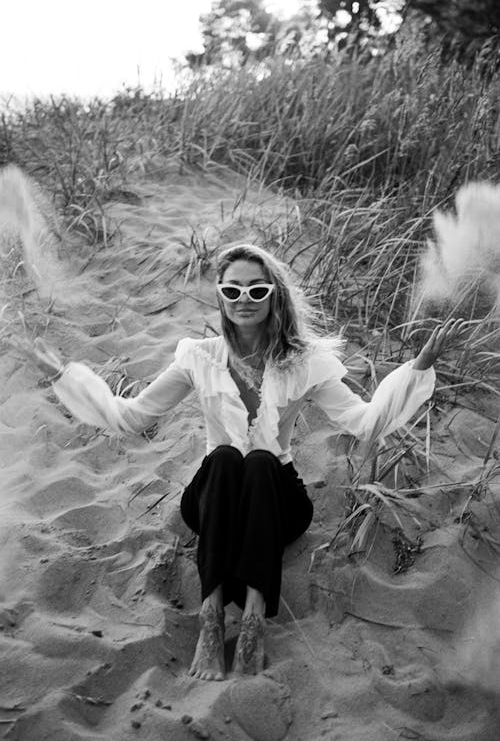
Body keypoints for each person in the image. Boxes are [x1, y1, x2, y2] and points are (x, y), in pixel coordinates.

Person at [31, 243, 463, 682]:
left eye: (257, 291)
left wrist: (418, 368)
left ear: (274, 294)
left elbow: (365, 423)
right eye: (232, 289)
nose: (243, 300)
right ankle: (211, 618)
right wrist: (65, 376)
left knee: (258, 460)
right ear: (219, 295)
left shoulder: (303, 363)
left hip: (278, 501)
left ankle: (255, 619)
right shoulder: (199, 358)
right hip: (215, 497)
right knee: (223, 457)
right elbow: (132, 417)